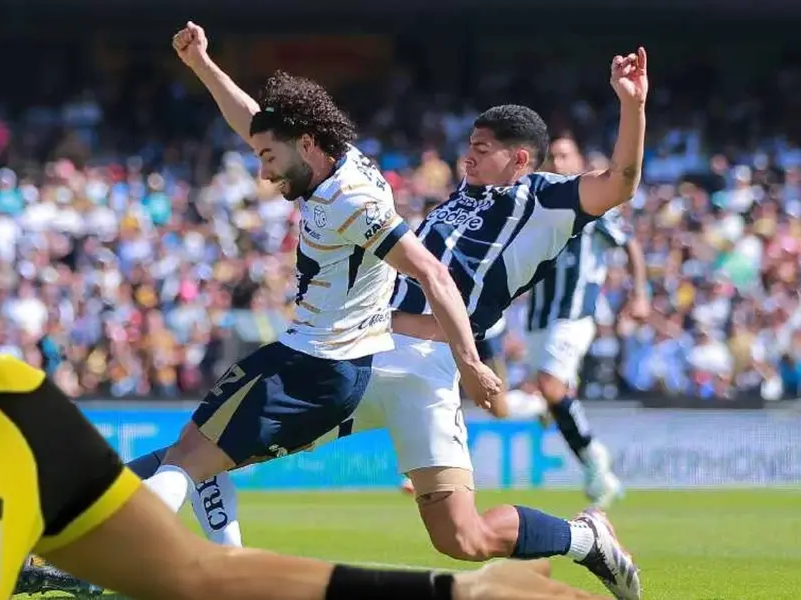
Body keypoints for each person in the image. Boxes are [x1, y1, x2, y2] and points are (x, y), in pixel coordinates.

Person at [0, 126, 604, 600]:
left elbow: (197, 579)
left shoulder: (14, 404)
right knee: (194, 461)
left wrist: (450, 598)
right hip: (349, 361)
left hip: (367, 363)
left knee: (194, 466)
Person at [182, 48, 652, 600]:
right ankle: (181, 561)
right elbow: (269, 131)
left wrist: (632, 106)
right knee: (207, 452)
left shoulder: (549, 200)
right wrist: (205, 65)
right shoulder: (457, 198)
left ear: (520, 158)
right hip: (362, 350)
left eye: (482, 148)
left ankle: (584, 538)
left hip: (428, 366)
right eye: (469, 144)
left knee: (462, 537)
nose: (467, 156)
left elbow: (621, 181)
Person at [126, 21, 503, 534]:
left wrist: (470, 363)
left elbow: (432, 273)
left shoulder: (350, 202)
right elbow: (253, 122)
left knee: (186, 460)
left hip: (314, 365)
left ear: (305, 144)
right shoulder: (336, 160)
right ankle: (223, 568)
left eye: (268, 158)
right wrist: (202, 65)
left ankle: (115, 551)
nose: (264, 173)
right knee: (199, 458)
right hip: (323, 364)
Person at [524, 135, 652, 508]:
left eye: (566, 156)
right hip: (537, 319)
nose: (558, 163)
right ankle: (597, 473)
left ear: (579, 161)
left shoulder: (593, 204)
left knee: (549, 388)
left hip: (573, 314)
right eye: (553, 157)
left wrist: (640, 294)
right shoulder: (538, 204)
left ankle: (596, 458)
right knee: (549, 397)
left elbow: (629, 244)